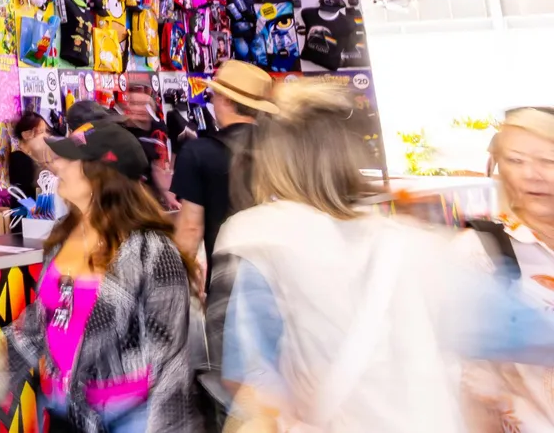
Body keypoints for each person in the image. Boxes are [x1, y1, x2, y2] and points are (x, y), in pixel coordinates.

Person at [215, 84, 554, 433]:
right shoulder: (419, 248)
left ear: (274, 162)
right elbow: (527, 331)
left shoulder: (260, 243)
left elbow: (251, 383)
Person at [3, 119, 199, 432]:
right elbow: (40, 324)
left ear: (102, 175)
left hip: (129, 419)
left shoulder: (151, 251)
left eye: (70, 159)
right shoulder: (64, 236)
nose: (58, 166)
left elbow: (169, 362)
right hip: (65, 413)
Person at [461, 107, 554, 432]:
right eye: (515, 161)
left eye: (548, 161)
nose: (531, 174)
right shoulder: (479, 251)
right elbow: (463, 373)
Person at [173, 61, 273, 273]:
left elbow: (190, 230)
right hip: (285, 282)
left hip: (229, 283)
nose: (212, 100)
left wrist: (179, 282)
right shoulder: (284, 148)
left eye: (214, 95)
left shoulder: (198, 152)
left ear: (226, 100)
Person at [9, 111, 52, 200]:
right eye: (41, 132)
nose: (45, 136)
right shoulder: (20, 159)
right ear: (26, 135)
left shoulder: (35, 158)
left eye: (46, 132)